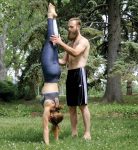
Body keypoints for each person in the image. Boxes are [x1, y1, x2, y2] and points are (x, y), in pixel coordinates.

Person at [50, 17, 91, 140]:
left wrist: (60, 42)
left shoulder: (83, 41)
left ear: (78, 27)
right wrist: (51, 59)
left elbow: (75, 53)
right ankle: (74, 133)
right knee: (71, 107)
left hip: (80, 73)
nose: (69, 29)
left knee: (82, 105)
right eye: (68, 27)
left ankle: (87, 133)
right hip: (71, 74)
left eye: (71, 27)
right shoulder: (69, 43)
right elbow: (63, 61)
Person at [40, 3, 62, 145]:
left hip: (56, 72)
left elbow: (55, 126)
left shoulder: (57, 105)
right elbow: (46, 128)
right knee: (50, 42)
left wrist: (57, 140)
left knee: (54, 43)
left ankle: (53, 18)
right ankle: (50, 14)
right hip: (49, 73)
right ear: (50, 117)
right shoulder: (48, 107)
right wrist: (47, 145)